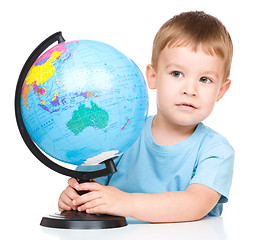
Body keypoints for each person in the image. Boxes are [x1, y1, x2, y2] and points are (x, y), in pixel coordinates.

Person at [58, 11, 234, 223]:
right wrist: (75, 199)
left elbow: (195, 204)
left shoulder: (216, 151)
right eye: (177, 74)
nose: (190, 89)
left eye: (205, 79)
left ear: (221, 91)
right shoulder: (121, 132)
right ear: (153, 77)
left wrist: (127, 203)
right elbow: (89, 191)